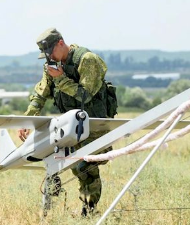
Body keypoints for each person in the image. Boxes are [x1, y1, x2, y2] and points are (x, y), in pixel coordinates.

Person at [18, 28, 117, 216]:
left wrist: (61, 79)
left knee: (84, 166)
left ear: (61, 43)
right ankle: (51, 210)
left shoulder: (87, 60)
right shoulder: (52, 64)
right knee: (56, 161)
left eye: (50, 51)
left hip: (94, 126)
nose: (49, 57)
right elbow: (41, 93)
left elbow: (85, 96)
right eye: (45, 54)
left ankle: (89, 211)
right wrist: (28, 119)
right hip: (71, 128)